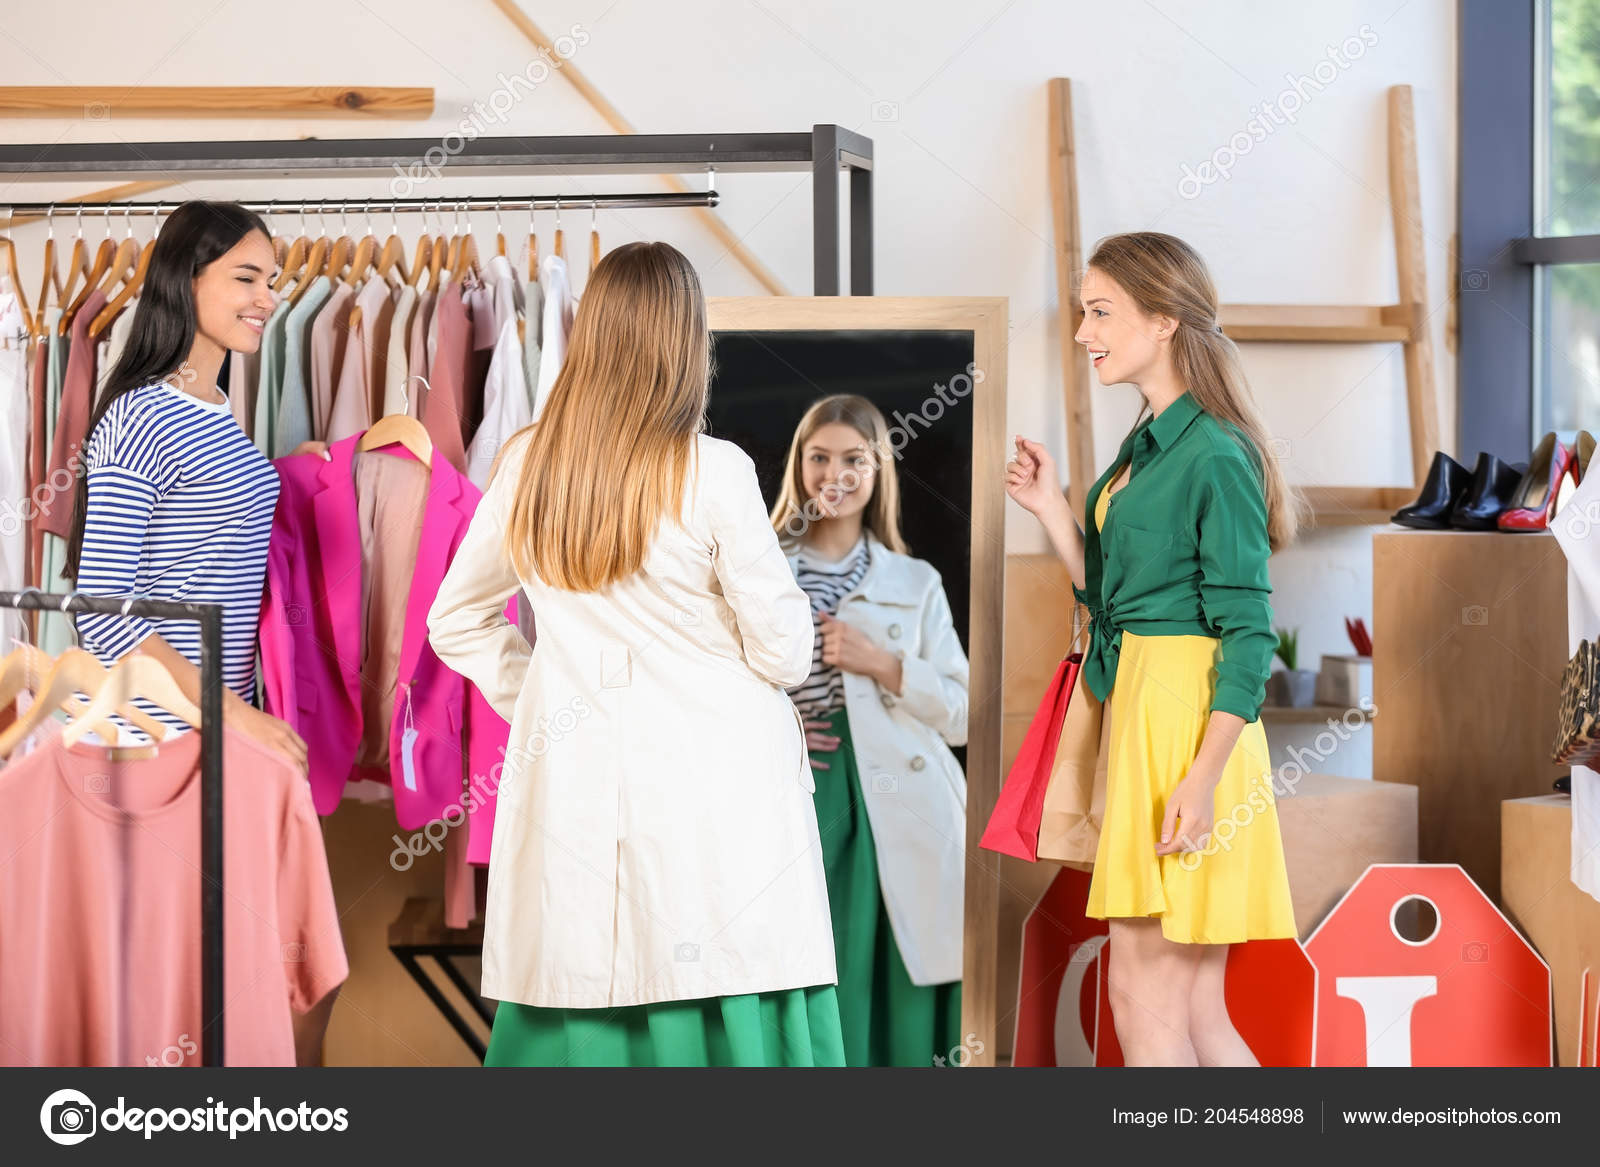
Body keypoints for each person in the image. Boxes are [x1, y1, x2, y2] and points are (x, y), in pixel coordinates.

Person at [426, 241, 844, 1067]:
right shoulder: (714, 469)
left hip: (574, 770)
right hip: (718, 786)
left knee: (582, 977)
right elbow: (788, 653)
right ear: (688, 341)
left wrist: (544, 693)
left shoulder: (527, 465)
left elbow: (457, 619)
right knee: (726, 970)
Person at [1006, 231, 1301, 1067]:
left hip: (1182, 728)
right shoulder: (1150, 440)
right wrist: (1055, 507)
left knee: (1144, 1002)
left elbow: (1248, 633)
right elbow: (1112, 598)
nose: (1082, 331)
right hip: (1148, 707)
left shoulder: (1213, 452)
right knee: (1195, 1009)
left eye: (1101, 312)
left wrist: (1202, 780)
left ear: (1164, 319)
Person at [65, 200, 316, 769]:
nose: (268, 299)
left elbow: (199, 520)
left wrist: (281, 470)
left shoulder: (213, 409)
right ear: (186, 279)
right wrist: (237, 714)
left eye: (271, 281)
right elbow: (103, 613)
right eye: (246, 278)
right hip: (143, 735)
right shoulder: (141, 415)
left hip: (201, 725)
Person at [770, 394, 968, 1066]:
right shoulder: (759, 570)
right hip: (794, 789)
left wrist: (881, 662)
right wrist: (775, 722)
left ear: (879, 467)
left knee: (895, 971)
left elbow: (965, 713)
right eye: (819, 456)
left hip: (902, 797)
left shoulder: (915, 581)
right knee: (802, 969)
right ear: (798, 466)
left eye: (855, 458)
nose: (835, 473)